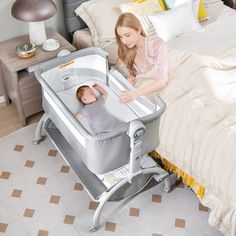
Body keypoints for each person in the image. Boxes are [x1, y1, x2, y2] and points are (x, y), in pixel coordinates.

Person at [115, 13, 168, 104]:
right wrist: (131, 76)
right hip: (148, 87)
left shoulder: (156, 44)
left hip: (163, 83)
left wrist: (135, 94)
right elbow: (133, 73)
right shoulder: (128, 52)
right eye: (120, 37)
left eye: (127, 35)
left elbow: (162, 82)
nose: (124, 41)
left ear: (138, 30)